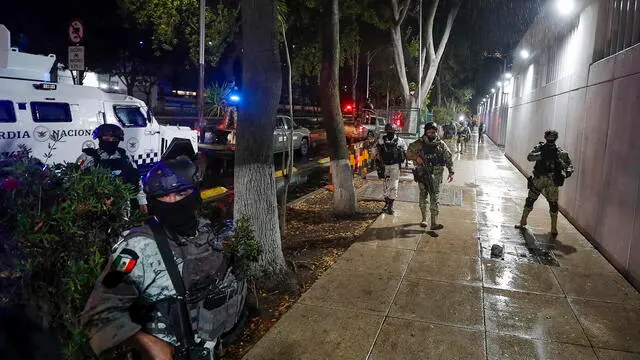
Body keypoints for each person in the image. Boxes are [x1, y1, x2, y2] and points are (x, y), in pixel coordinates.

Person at [81, 156, 247, 359]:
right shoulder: (138, 247)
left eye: (181, 193)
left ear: (195, 193)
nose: (173, 201)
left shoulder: (203, 232)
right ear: (153, 201)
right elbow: (97, 314)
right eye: (164, 196)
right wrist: (149, 344)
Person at [77, 124, 148, 214]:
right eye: (106, 139)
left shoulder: (124, 156)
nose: (111, 141)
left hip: (122, 204)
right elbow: (75, 181)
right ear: (99, 138)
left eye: (114, 139)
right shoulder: (88, 157)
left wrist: (142, 201)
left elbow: (136, 179)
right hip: (96, 206)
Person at [515, 130, 574, 235]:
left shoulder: (560, 152)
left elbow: (569, 165)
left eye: (553, 137)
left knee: (553, 204)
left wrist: (567, 172)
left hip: (552, 180)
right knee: (530, 200)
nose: (551, 138)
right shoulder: (540, 148)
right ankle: (523, 221)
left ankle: (553, 228)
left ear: (555, 138)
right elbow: (530, 157)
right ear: (545, 137)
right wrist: (542, 155)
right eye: (549, 136)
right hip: (539, 178)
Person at [406, 122, 454, 229]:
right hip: (423, 174)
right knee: (423, 196)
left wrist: (451, 171)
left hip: (436, 176)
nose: (432, 134)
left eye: (434, 132)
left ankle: (434, 223)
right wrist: (416, 158)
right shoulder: (419, 143)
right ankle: (424, 219)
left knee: (435, 198)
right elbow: (408, 153)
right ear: (426, 132)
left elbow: (448, 157)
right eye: (430, 132)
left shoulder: (441, 144)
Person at [377, 123, 407, 215]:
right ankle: (386, 204)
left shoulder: (400, 141)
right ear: (386, 131)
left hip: (395, 166)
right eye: (388, 131)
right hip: (385, 166)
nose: (390, 132)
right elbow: (375, 151)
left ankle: (390, 206)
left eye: (392, 131)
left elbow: (405, 152)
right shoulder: (381, 140)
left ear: (395, 131)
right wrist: (378, 162)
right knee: (386, 186)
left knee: (394, 185)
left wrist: (405, 162)